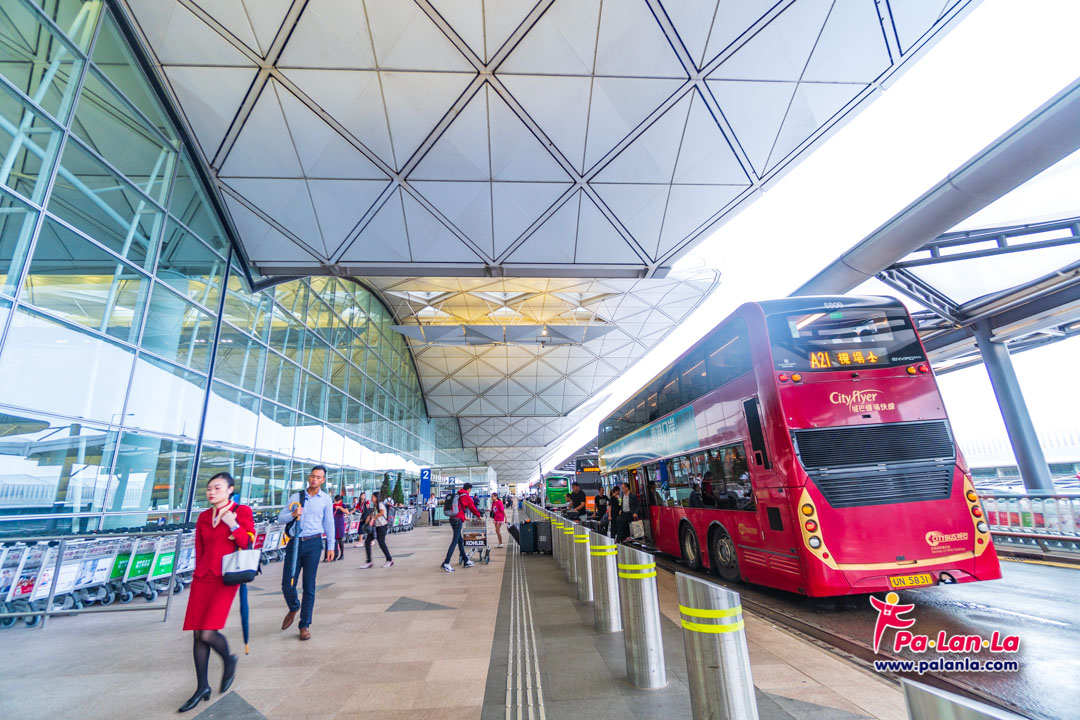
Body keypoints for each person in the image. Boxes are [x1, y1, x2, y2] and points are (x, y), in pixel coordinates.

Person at [179, 472, 255, 713]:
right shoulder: (203, 517)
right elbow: (200, 548)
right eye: (209, 488)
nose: (212, 492)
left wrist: (233, 523)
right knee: (197, 634)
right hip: (203, 578)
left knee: (207, 633)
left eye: (218, 488)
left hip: (225, 578)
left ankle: (229, 659)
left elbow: (246, 543)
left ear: (230, 489)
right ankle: (202, 686)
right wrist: (197, 574)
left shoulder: (241, 512)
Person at [278, 465, 335, 641]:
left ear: (323, 480)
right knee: (287, 584)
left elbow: (329, 523)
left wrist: (331, 546)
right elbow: (280, 518)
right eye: (312, 476)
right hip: (295, 543)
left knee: (309, 586)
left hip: (314, 543)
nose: (314, 479)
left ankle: (304, 625)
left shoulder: (325, 500)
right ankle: (294, 606)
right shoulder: (296, 497)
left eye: (318, 477)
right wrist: (293, 514)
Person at [441, 482, 484, 572]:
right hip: (458, 521)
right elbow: (472, 507)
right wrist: (479, 516)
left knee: (460, 540)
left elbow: (459, 508)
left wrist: (464, 517)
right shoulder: (466, 496)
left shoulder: (458, 494)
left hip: (452, 519)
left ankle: (466, 560)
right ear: (469, 489)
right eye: (470, 489)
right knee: (455, 541)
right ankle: (446, 563)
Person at [362, 491, 394, 568]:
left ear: (376, 498)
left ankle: (389, 560)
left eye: (373, 497)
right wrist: (369, 516)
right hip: (376, 526)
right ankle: (369, 561)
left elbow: (382, 512)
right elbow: (374, 512)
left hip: (382, 526)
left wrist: (373, 519)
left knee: (381, 543)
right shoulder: (376, 505)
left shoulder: (380, 504)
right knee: (367, 542)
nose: (371, 498)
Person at [332, 494, 347, 561]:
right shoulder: (333, 506)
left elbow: (347, 512)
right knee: (335, 539)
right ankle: (335, 554)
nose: (335, 502)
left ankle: (342, 554)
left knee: (340, 539)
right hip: (334, 522)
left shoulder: (343, 505)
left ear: (340, 500)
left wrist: (340, 508)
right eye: (335, 500)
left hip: (340, 522)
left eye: (336, 501)